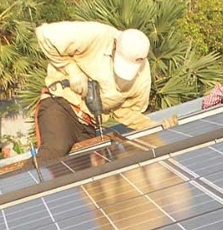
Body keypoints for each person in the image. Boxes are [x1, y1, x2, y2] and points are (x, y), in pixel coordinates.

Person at [33, 21, 156, 163]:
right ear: (115, 45)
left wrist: (153, 127)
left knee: (89, 174)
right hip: (61, 106)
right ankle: (14, 184)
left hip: (89, 124)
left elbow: (124, 111)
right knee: (54, 152)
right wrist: (72, 70)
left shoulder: (141, 76)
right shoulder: (97, 36)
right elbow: (44, 34)